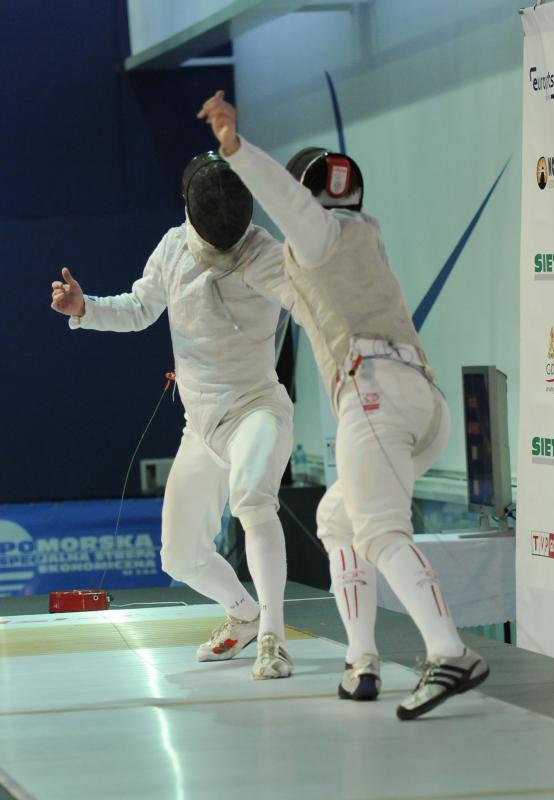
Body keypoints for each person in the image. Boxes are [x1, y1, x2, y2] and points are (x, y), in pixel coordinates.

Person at [198, 91, 489, 719]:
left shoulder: (321, 239)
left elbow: (291, 208)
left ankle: (449, 652)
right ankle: (362, 662)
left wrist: (235, 148)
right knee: (337, 520)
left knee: (381, 531)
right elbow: (295, 258)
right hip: (421, 403)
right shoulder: (364, 237)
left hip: (373, 399)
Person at [50, 151, 296, 680]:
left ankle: (274, 638)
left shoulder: (266, 254)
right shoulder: (174, 247)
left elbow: (312, 303)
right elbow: (140, 309)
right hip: (201, 427)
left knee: (253, 498)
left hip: (255, 410)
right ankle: (245, 615)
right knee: (180, 557)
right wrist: (86, 308)